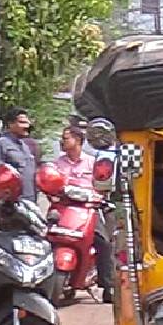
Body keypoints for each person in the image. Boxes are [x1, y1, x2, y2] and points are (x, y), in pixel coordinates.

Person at [53, 125, 114, 295]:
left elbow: (103, 185)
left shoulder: (93, 162)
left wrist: (100, 197)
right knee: (45, 238)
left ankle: (108, 286)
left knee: (103, 243)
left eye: (66, 138)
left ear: (78, 140)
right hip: (63, 208)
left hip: (87, 210)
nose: (62, 141)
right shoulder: (58, 163)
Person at [0, 108, 37, 203]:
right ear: (10, 124)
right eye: (22, 122)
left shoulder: (24, 146)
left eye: (27, 122)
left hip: (29, 199)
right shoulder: (1, 143)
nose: (27, 125)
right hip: (11, 203)